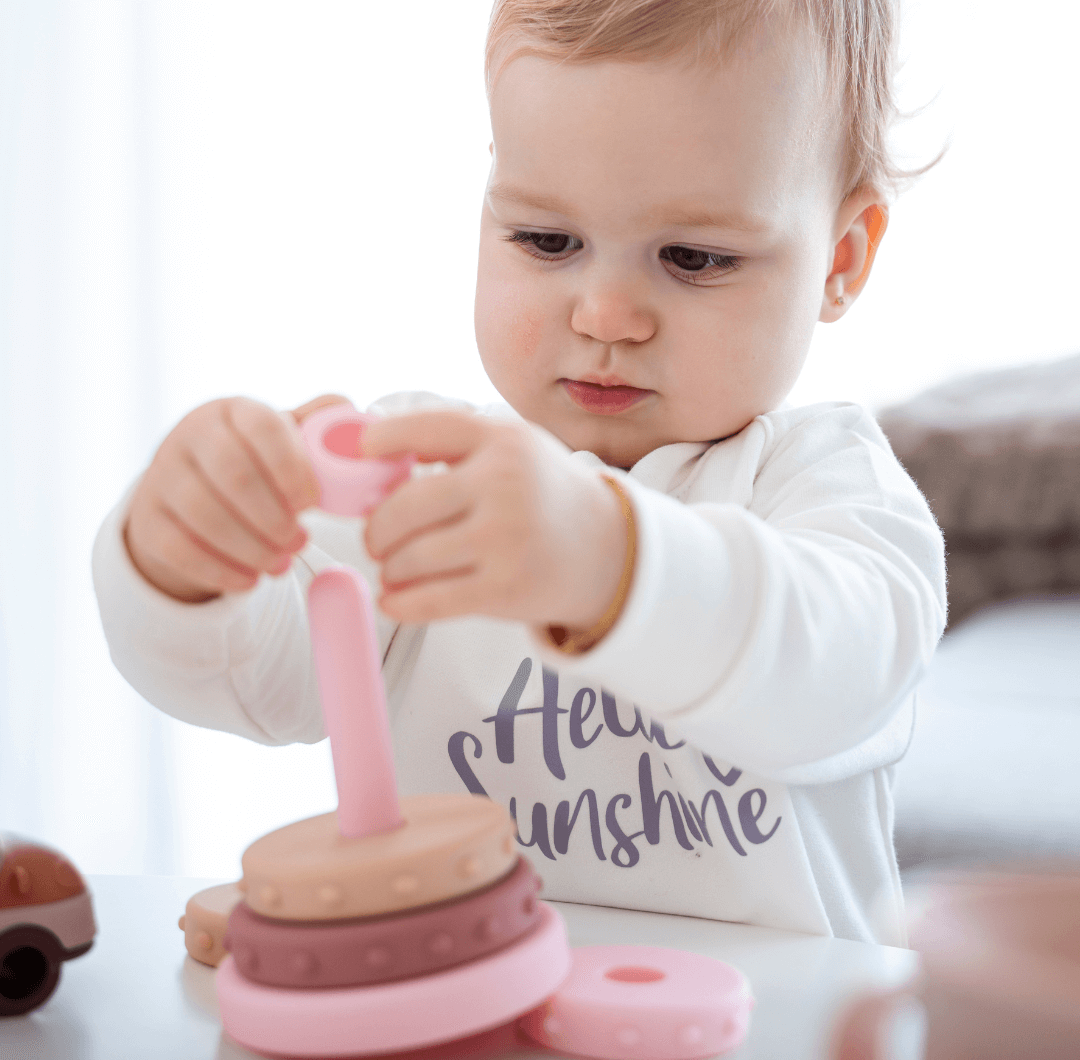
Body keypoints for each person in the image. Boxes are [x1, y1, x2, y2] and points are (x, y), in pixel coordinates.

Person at [93, 0, 946, 945]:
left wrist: (609, 563)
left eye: (694, 257)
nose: (607, 314)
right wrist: (180, 560)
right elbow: (256, 681)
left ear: (841, 257)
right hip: (463, 1017)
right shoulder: (418, 472)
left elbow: (830, 675)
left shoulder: (827, 488)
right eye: (547, 240)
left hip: (773, 1040)